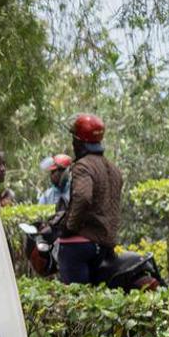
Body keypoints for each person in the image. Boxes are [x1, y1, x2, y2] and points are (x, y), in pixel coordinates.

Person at [55, 114, 124, 284]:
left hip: (79, 246)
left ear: (78, 141)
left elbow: (83, 197)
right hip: (104, 246)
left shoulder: (83, 166)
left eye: (74, 139)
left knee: (75, 301)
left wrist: (70, 226)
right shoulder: (113, 169)